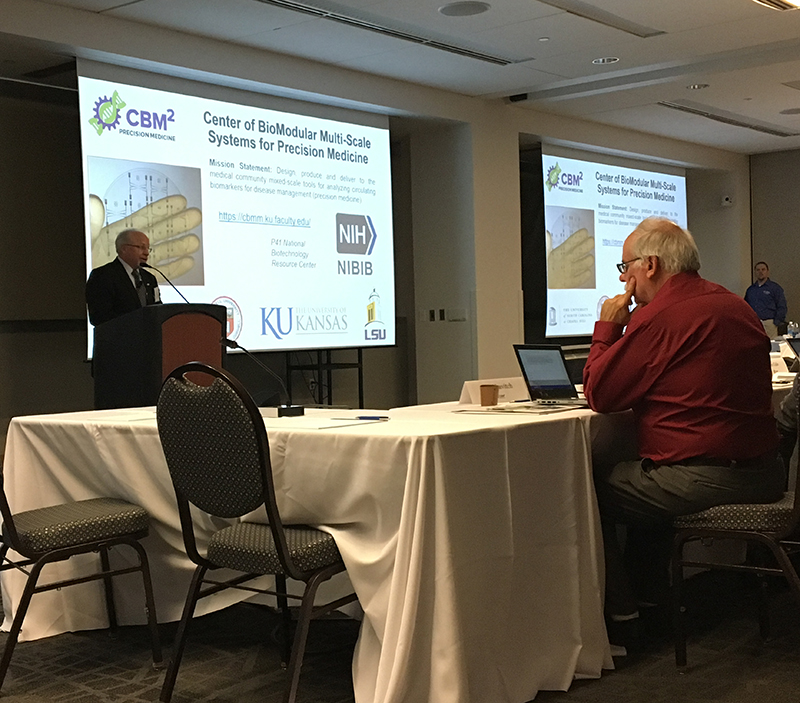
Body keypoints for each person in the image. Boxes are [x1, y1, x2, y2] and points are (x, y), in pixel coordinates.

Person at [583, 217, 785, 635]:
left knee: (587, 489)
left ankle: (623, 615)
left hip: (706, 478)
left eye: (625, 268)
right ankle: (652, 593)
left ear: (650, 265)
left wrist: (608, 326)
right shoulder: (735, 305)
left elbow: (600, 394)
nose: (625, 280)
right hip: (767, 471)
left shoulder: (661, 316)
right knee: (645, 471)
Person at [86, 229, 161, 326]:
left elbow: (157, 308)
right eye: (142, 247)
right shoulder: (102, 275)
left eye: (148, 248)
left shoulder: (149, 278)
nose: (146, 253)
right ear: (124, 249)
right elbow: (99, 317)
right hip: (117, 339)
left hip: (147, 339)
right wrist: (135, 324)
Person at [744, 261, 787, 338]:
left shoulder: (775, 288)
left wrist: (776, 322)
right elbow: (746, 307)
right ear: (755, 272)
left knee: (771, 346)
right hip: (754, 324)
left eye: (763, 269)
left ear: (767, 272)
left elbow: (782, 306)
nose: (760, 272)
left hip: (769, 324)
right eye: (758, 270)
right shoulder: (750, 290)